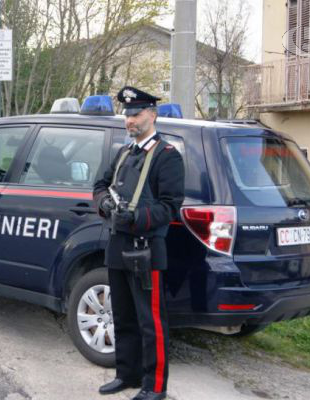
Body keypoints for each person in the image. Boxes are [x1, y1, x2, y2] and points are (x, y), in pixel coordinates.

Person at [93, 86, 185, 400]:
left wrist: (134, 218)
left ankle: (155, 386)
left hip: (146, 249)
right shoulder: (124, 152)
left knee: (151, 322)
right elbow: (100, 184)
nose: (129, 120)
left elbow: (170, 207)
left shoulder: (167, 156)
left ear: (152, 115)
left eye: (135, 114)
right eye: (127, 115)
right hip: (118, 247)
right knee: (122, 316)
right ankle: (127, 375)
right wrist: (105, 205)